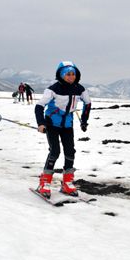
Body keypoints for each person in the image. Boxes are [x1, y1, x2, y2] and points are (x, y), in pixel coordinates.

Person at [34, 61, 91, 198]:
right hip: (52, 124)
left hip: (67, 125)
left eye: (73, 74)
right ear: (61, 75)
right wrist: (41, 123)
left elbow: (88, 104)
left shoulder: (80, 89)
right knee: (55, 151)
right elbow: (39, 106)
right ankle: (44, 182)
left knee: (70, 151)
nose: (71, 77)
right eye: (67, 74)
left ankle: (67, 182)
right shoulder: (53, 89)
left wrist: (84, 121)